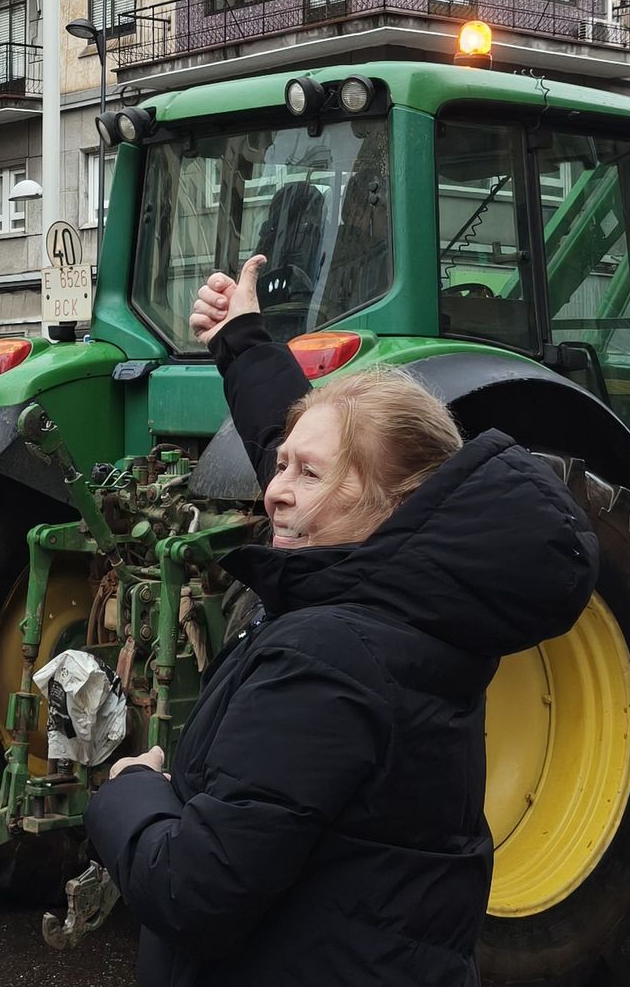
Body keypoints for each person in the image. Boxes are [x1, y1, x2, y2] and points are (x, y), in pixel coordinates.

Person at [83, 255, 598, 987]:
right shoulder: (413, 599)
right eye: (281, 466)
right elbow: (295, 444)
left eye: (307, 473)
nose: (274, 491)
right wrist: (242, 343)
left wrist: (128, 794)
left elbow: (193, 891)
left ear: (397, 505)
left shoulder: (327, 657)